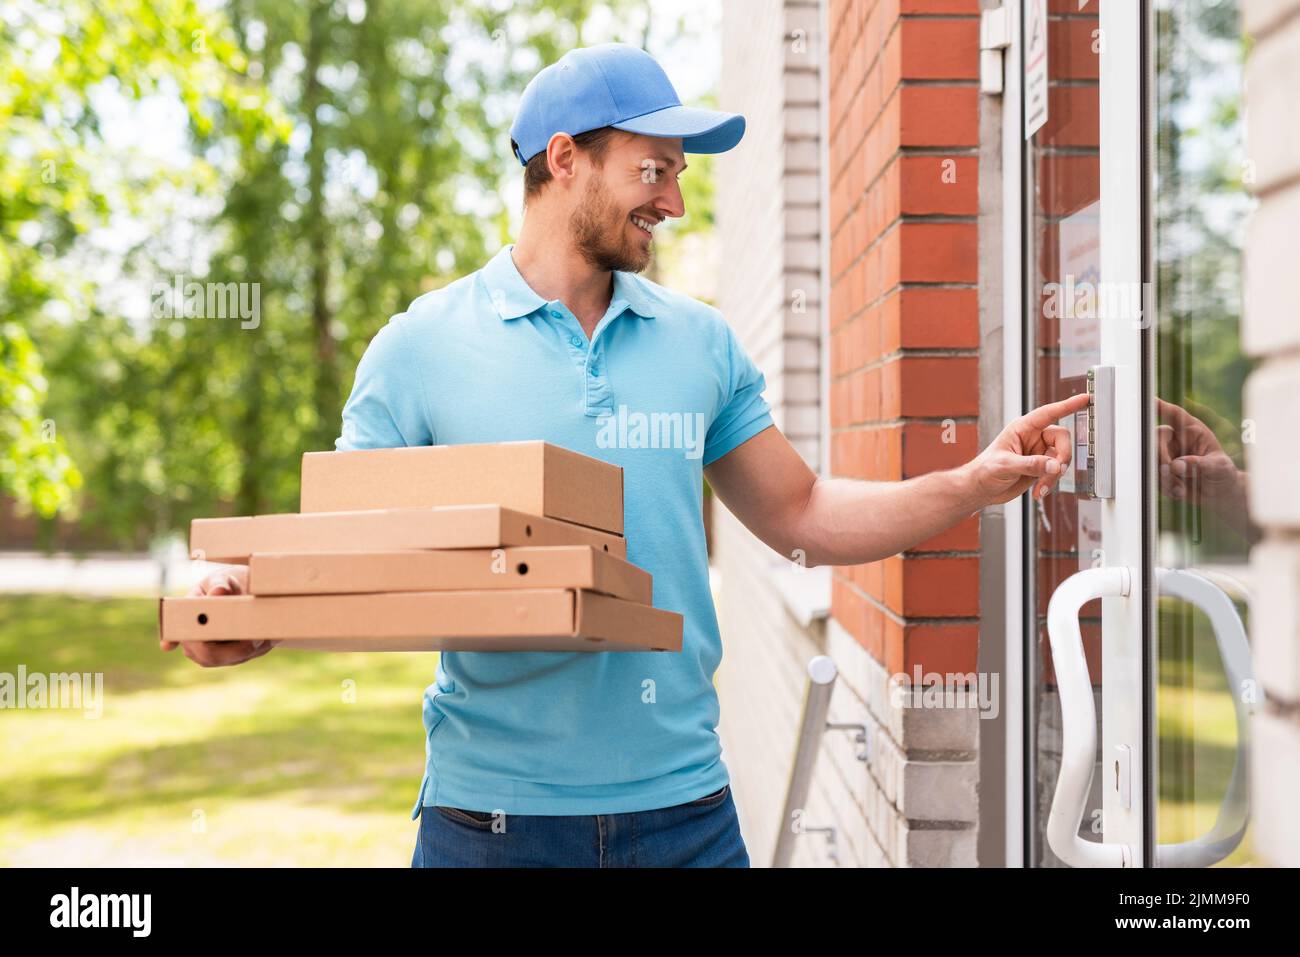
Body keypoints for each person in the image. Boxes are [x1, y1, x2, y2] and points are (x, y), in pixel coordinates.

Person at [166, 43, 1086, 867]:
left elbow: (802, 513)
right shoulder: (421, 346)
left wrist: (972, 482)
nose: (675, 202)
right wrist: (240, 598)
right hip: (490, 823)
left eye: (679, 176)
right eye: (654, 169)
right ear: (565, 159)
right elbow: (349, 544)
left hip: (684, 815)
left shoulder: (702, 344)